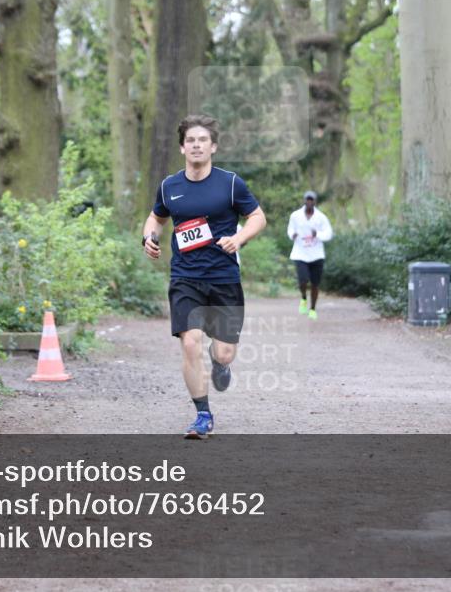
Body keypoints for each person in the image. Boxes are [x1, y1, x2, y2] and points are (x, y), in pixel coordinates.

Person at [141, 114, 267, 439]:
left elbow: (257, 217)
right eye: (191, 141)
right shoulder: (170, 186)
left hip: (224, 277)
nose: (197, 145)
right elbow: (156, 218)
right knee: (190, 342)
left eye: (202, 140)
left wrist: (239, 239)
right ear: (183, 147)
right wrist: (149, 237)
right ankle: (202, 415)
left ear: (213, 147)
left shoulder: (230, 183)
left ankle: (220, 362)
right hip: (185, 277)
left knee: (223, 351)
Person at [287, 191, 333, 320]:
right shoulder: (295, 215)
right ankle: (303, 298)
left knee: (315, 284)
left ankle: (312, 309)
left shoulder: (321, 217)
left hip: (316, 254)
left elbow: (328, 234)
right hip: (300, 253)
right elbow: (290, 229)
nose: (309, 202)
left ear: (315, 201)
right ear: (304, 200)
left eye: (311, 200)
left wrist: (317, 234)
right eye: (307, 199)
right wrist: (292, 235)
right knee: (303, 280)